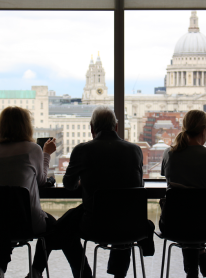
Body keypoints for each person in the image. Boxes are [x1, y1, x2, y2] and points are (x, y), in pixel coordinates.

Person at [0, 106, 57, 278]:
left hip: (1, 220)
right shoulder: (33, 149)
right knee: (53, 226)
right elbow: (40, 180)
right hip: (27, 221)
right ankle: (36, 271)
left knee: (5, 230)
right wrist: (46, 154)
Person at [160, 109, 206, 278]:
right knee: (197, 215)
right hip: (202, 224)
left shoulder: (169, 154)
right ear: (203, 130)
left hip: (174, 224)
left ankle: (192, 269)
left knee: (187, 215)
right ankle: (201, 253)